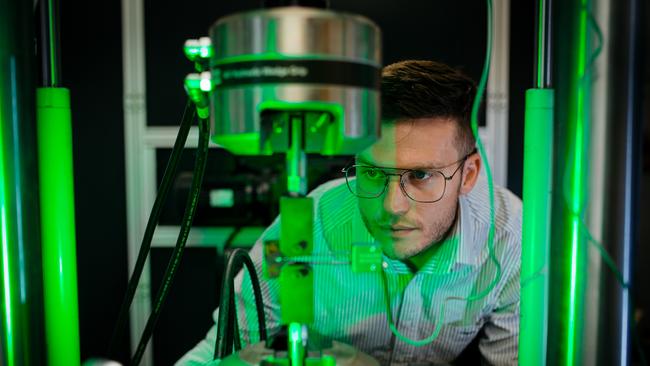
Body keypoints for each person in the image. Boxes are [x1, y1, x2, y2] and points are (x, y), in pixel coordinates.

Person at [177, 60, 521, 365]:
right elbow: (220, 353)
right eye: (371, 173)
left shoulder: (509, 240)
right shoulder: (312, 225)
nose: (391, 206)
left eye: (420, 176)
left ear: (469, 175)